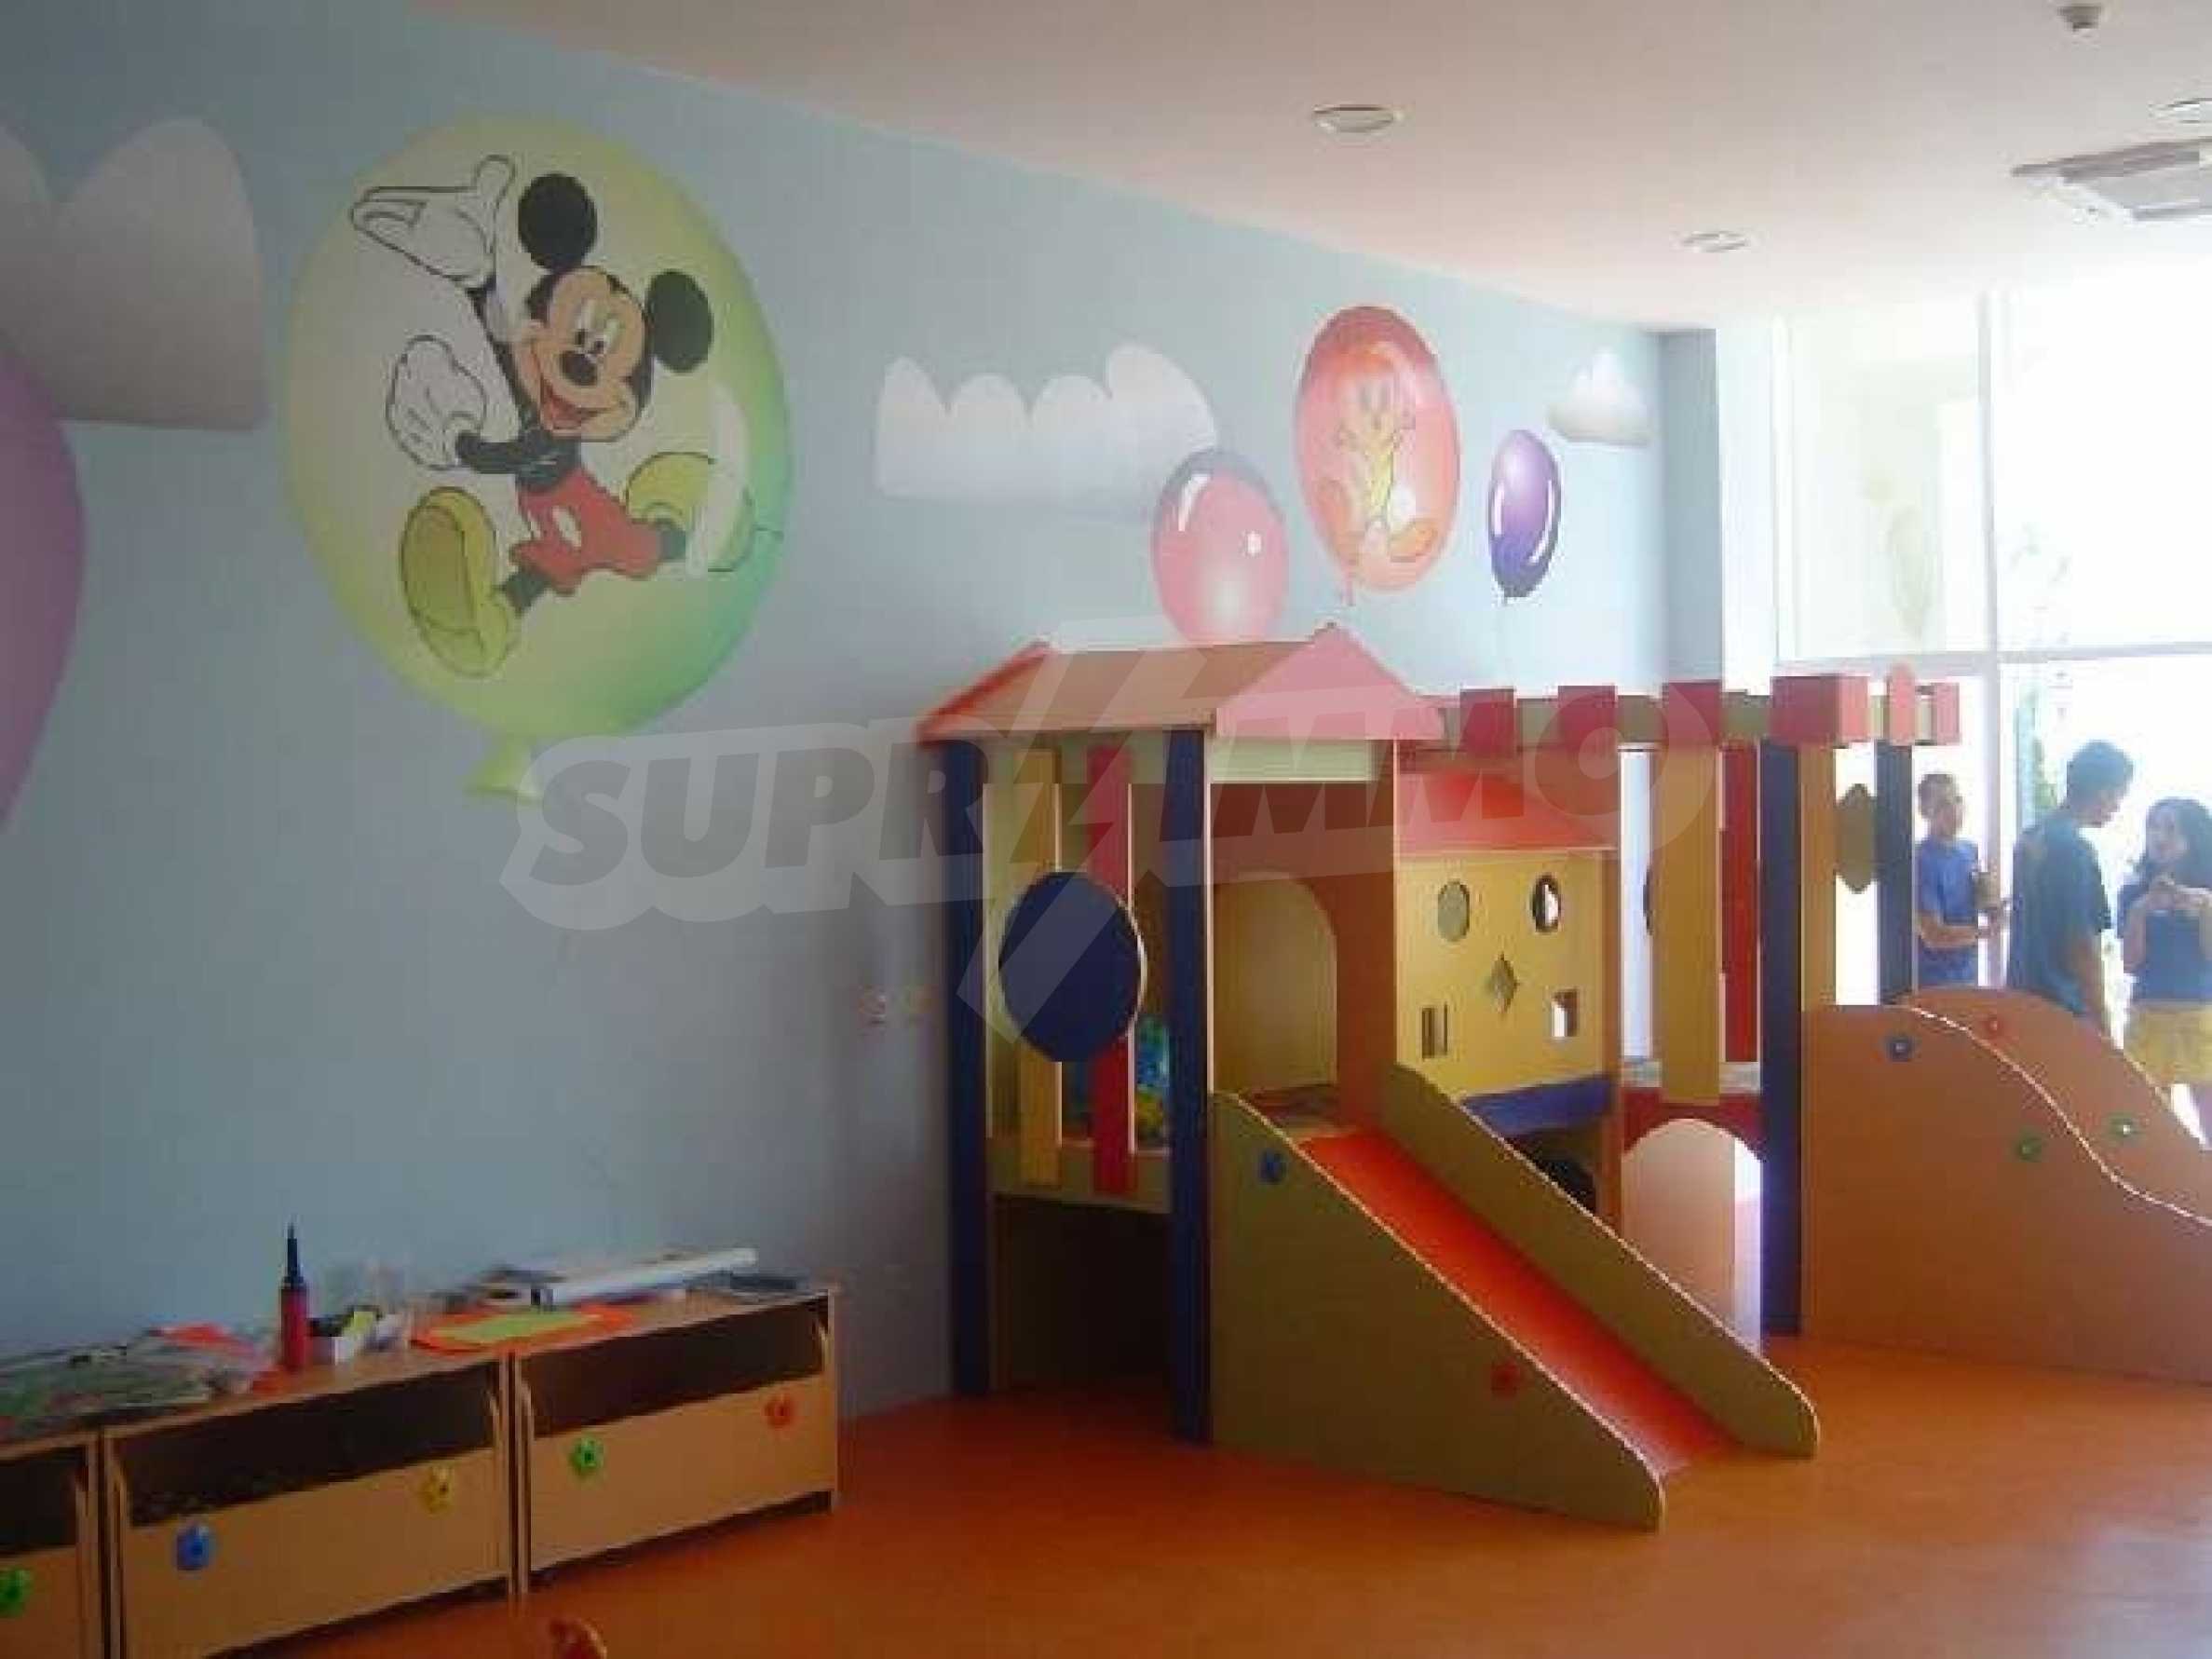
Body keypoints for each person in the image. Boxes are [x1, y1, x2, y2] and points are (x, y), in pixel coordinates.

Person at [2005, 740, 2134, 1032]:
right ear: (2103, 793)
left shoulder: (2029, 838)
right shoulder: (2075, 850)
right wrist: (2101, 1019)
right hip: (2062, 1007)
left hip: (2020, 998)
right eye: (2119, 796)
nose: (2117, 807)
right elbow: (2081, 944)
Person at [2117, 798, 2212, 1120]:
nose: (2160, 837)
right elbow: (2131, 964)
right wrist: (2140, 910)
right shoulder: (2133, 893)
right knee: (2152, 1120)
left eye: (2171, 829)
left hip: (2199, 1015)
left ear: (2193, 837)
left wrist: (2206, 908)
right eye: (2153, 827)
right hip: (2148, 1015)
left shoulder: (2206, 893)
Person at [1913, 772, 2002, 987]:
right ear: (1924, 811)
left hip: (1969, 979)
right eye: (1943, 804)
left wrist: (1994, 907)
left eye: (1957, 800)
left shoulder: (1970, 851)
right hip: (1934, 985)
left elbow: (1982, 904)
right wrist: (1985, 932)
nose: (1954, 811)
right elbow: (1933, 935)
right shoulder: (1920, 861)